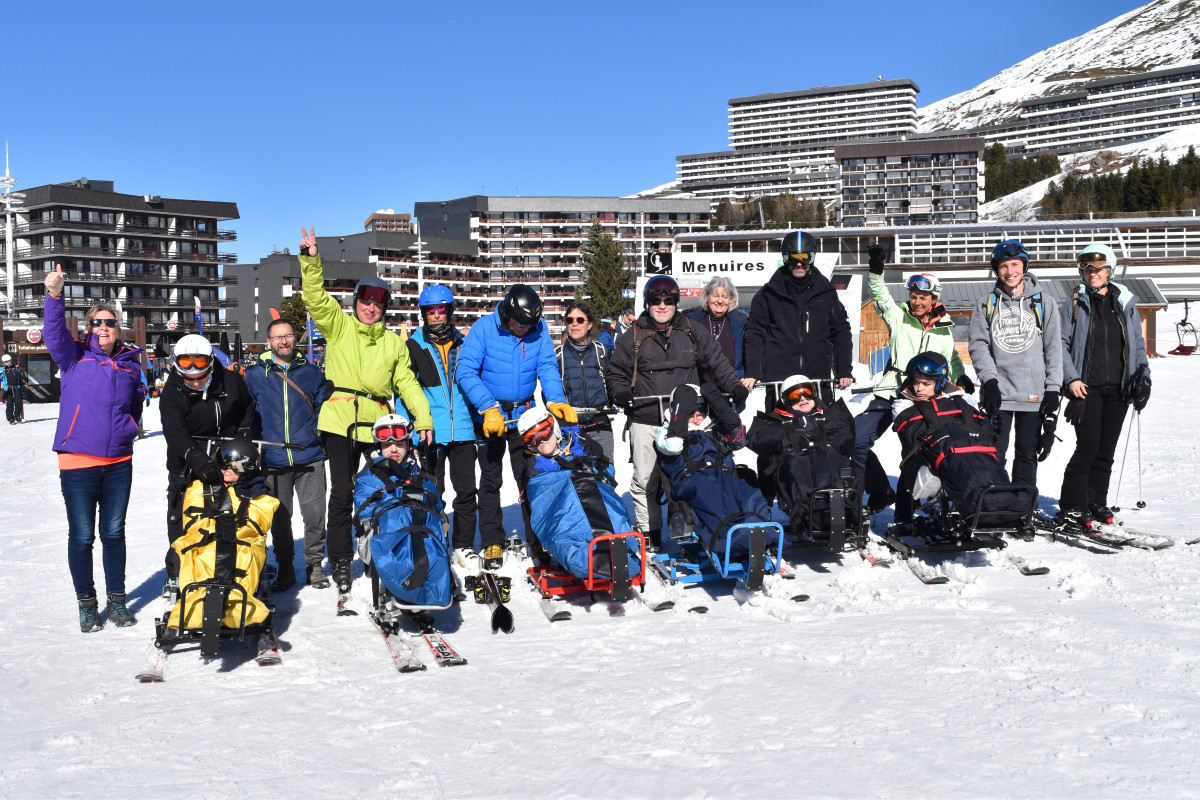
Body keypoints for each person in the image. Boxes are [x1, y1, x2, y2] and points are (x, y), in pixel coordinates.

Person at [297, 227, 433, 596]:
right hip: (340, 418)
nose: (370, 307)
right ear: (356, 301)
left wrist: (423, 419)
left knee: (381, 487)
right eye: (365, 300)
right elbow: (315, 298)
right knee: (342, 490)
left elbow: (406, 383)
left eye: (378, 303)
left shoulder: (393, 343)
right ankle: (340, 558)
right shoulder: (339, 326)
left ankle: (383, 545)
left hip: (376, 422)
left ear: (385, 307)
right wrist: (311, 261)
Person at [606, 275, 748, 551]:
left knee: (689, 474)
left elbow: (717, 361)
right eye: (656, 301)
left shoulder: (691, 331)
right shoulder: (632, 336)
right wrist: (620, 391)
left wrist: (733, 385)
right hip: (646, 415)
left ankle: (689, 527)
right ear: (648, 303)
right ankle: (650, 532)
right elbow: (616, 372)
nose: (662, 306)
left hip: (684, 418)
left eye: (668, 301)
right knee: (646, 479)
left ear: (675, 303)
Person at [43, 264, 145, 632]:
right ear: (88, 329)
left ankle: (117, 602)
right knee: (83, 535)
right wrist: (54, 295)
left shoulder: (130, 366)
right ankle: (87, 604)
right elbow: (53, 333)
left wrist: (130, 429)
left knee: (114, 533)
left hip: (119, 460)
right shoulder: (73, 357)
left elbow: (136, 404)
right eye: (97, 322)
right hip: (79, 460)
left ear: (118, 329)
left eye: (110, 323)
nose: (103, 327)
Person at [457, 283, 577, 569]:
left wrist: (556, 400)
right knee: (490, 481)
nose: (525, 330)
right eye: (520, 324)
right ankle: (492, 541)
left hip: (525, 416)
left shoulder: (538, 327)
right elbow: (466, 371)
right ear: (507, 315)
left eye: (530, 325)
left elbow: (546, 365)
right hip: (490, 419)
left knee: (531, 479)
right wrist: (487, 407)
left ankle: (538, 539)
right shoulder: (484, 329)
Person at [856, 246, 972, 511]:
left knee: (917, 453)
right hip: (894, 390)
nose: (917, 301)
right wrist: (876, 270)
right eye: (914, 296)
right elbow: (879, 295)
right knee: (856, 439)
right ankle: (879, 490)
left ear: (934, 299)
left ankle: (914, 510)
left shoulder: (944, 329)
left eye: (923, 297)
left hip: (929, 397)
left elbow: (951, 357)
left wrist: (960, 376)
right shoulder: (899, 317)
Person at [1057, 243, 1152, 528]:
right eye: (1086, 268)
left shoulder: (1124, 303)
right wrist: (1071, 379)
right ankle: (1073, 506)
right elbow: (1060, 344)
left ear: (1109, 269)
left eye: (1098, 268)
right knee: (1087, 447)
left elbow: (1136, 344)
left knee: (1105, 451)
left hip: (1119, 390)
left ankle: (1096, 502)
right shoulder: (1074, 303)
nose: (1092, 273)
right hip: (1086, 389)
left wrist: (1143, 376)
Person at [160, 333, 257, 589]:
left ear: (211, 365)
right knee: (184, 514)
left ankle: (236, 562)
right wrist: (197, 460)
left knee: (235, 509)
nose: (194, 380)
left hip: (229, 451)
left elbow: (247, 408)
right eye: (188, 377)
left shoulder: (232, 381)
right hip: (188, 457)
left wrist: (244, 433)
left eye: (200, 375)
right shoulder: (172, 390)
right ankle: (179, 569)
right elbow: (174, 431)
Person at [968, 240, 1063, 489]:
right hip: (999, 395)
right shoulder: (984, 304)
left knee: (1027, 455)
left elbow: (1054, 348)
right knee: (994, 456)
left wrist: (1053, 388)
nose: (1009, 271)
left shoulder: (1044, 302)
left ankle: (1022, 509)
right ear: (996, 269)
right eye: (1003, 266)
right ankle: (995, 505)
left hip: (1033, 395)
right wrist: (989, 381)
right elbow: (979, 346)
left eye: (1015, 264)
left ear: (1025, 266)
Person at [891, 353, 1026, 526]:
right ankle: (903, 518)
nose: (919, 389)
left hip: (969, 449)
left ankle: (1000, 503)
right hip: (931, 454)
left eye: (926, 384)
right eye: (916, 383)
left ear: (939, 382)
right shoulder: (905, 404)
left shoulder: (961, 399)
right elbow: (911, 431)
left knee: (985, 463)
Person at [243, 318, 328, 591]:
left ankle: (315, 565)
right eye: (277, 337)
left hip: (310, 456)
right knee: (280, 518)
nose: (283, 341)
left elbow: (322, 409)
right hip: (273, 459)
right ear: (269, 342)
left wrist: (316, 435)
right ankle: (286, 567)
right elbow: (248, 414)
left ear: (295, 339)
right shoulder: (255, 375)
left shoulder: (312, 373)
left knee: (315, 515)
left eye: (288, 336)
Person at [403, 285, 480, 572]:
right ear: (424, 313)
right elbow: (404, 390)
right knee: (432, 492)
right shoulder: (413, 345)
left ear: (450, 311)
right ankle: (435, 542)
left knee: (466, 491)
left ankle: (463, 545)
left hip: (462, 430)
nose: (437, 315)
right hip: (429, 432)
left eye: (442, 309)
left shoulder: (464, 343)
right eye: (431, 310)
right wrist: (409, 427)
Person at [167, 437, 277, 635]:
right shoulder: (200, 486)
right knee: (199, 555)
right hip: (206, 537)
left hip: (240, 539)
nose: (228, 468)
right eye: (224, 461)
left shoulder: (258, 492)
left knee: (244, 555)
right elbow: (191, 520)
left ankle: (235, 603)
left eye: (236, 465)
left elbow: (258, 523)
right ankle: (198, 600)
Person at [519, 407, 639, 585]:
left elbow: (607, 470)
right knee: (571, 527)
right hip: (565, 511)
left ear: (554, 427)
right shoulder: (536, 466)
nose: (540, 441)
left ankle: (621, 548)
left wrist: (590, 469)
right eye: (531, 439)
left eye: (543, 431)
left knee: (611, 512)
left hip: (596, 497)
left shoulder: (581, 442)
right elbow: (543, 502)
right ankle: (591, 559)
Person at [655, 383, 767, 562]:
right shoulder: (664, 432)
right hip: (691, 483)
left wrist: (720, 406)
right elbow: (674, 447)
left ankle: (762, 537)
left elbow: (740, 441)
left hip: (723, 478)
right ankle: (731, 543)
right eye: (690, 415)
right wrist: (680, 416)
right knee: (712, 495)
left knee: (749, 491)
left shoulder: (712, 430)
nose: (697, 420)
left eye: (700, 414)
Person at [743, 230, 854, 406]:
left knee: (821, 428)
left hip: (817, 379)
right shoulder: (769, 294)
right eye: (793, 258)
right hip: (780, 380)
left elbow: (841, 330)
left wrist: (843, 369)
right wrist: (753, 370)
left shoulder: (826, 293)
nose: (799, 264)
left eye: (805, 258)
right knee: (780, 430)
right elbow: (755, 333)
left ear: (813, 258)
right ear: (785, 258)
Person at [353, 414, 452, 609]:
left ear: (408, 444)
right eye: (387, 444)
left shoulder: (421, 476)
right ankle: (413, 583)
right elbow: (364, 513)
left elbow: (437, 508)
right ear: (379, 446)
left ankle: (426, 582)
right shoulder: (367, 477)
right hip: (384, 537)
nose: (393, 449)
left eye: (399, 444)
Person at [747, 374, 861, 538]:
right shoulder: (776, 421)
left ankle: (849, 507)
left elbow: (844, 443)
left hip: (829, 470)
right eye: (795, 396)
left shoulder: (830, 416)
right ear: (786, 400)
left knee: (859, 458)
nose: (803, 399)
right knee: (767, 459)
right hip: (798, 476)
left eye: (807, 392)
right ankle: (791, 509)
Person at [556, 300, 615, 462]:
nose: (574, 324)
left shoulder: (602, 351)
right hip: (570, 429)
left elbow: (613, 381)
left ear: (589, 325)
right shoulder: (557, 355)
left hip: (600, 426)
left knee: (605, 478)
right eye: (570, 320)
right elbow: (550, 391)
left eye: (580, 320)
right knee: (576, 481)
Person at [684, 275, 754, 393]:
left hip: (732, 387)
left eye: (725, 296)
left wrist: (751, 374)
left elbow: (750, 351)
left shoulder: (742, 322)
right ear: (707, 296)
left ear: (730, 299)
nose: (720, 301)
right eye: (715, 295)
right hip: (699, 388)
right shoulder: (691, 320)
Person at [2, 352, 29, 424]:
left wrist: (23, 379)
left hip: (17, 388)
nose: (6, 363)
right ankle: (11, 419)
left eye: (7, 361)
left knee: (18, 403)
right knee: (9, 404)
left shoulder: (16, 368)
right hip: (8, 389)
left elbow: (21, 375)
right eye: (5, 362)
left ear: (10, 360)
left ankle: (17, 416)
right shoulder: (2, 369)